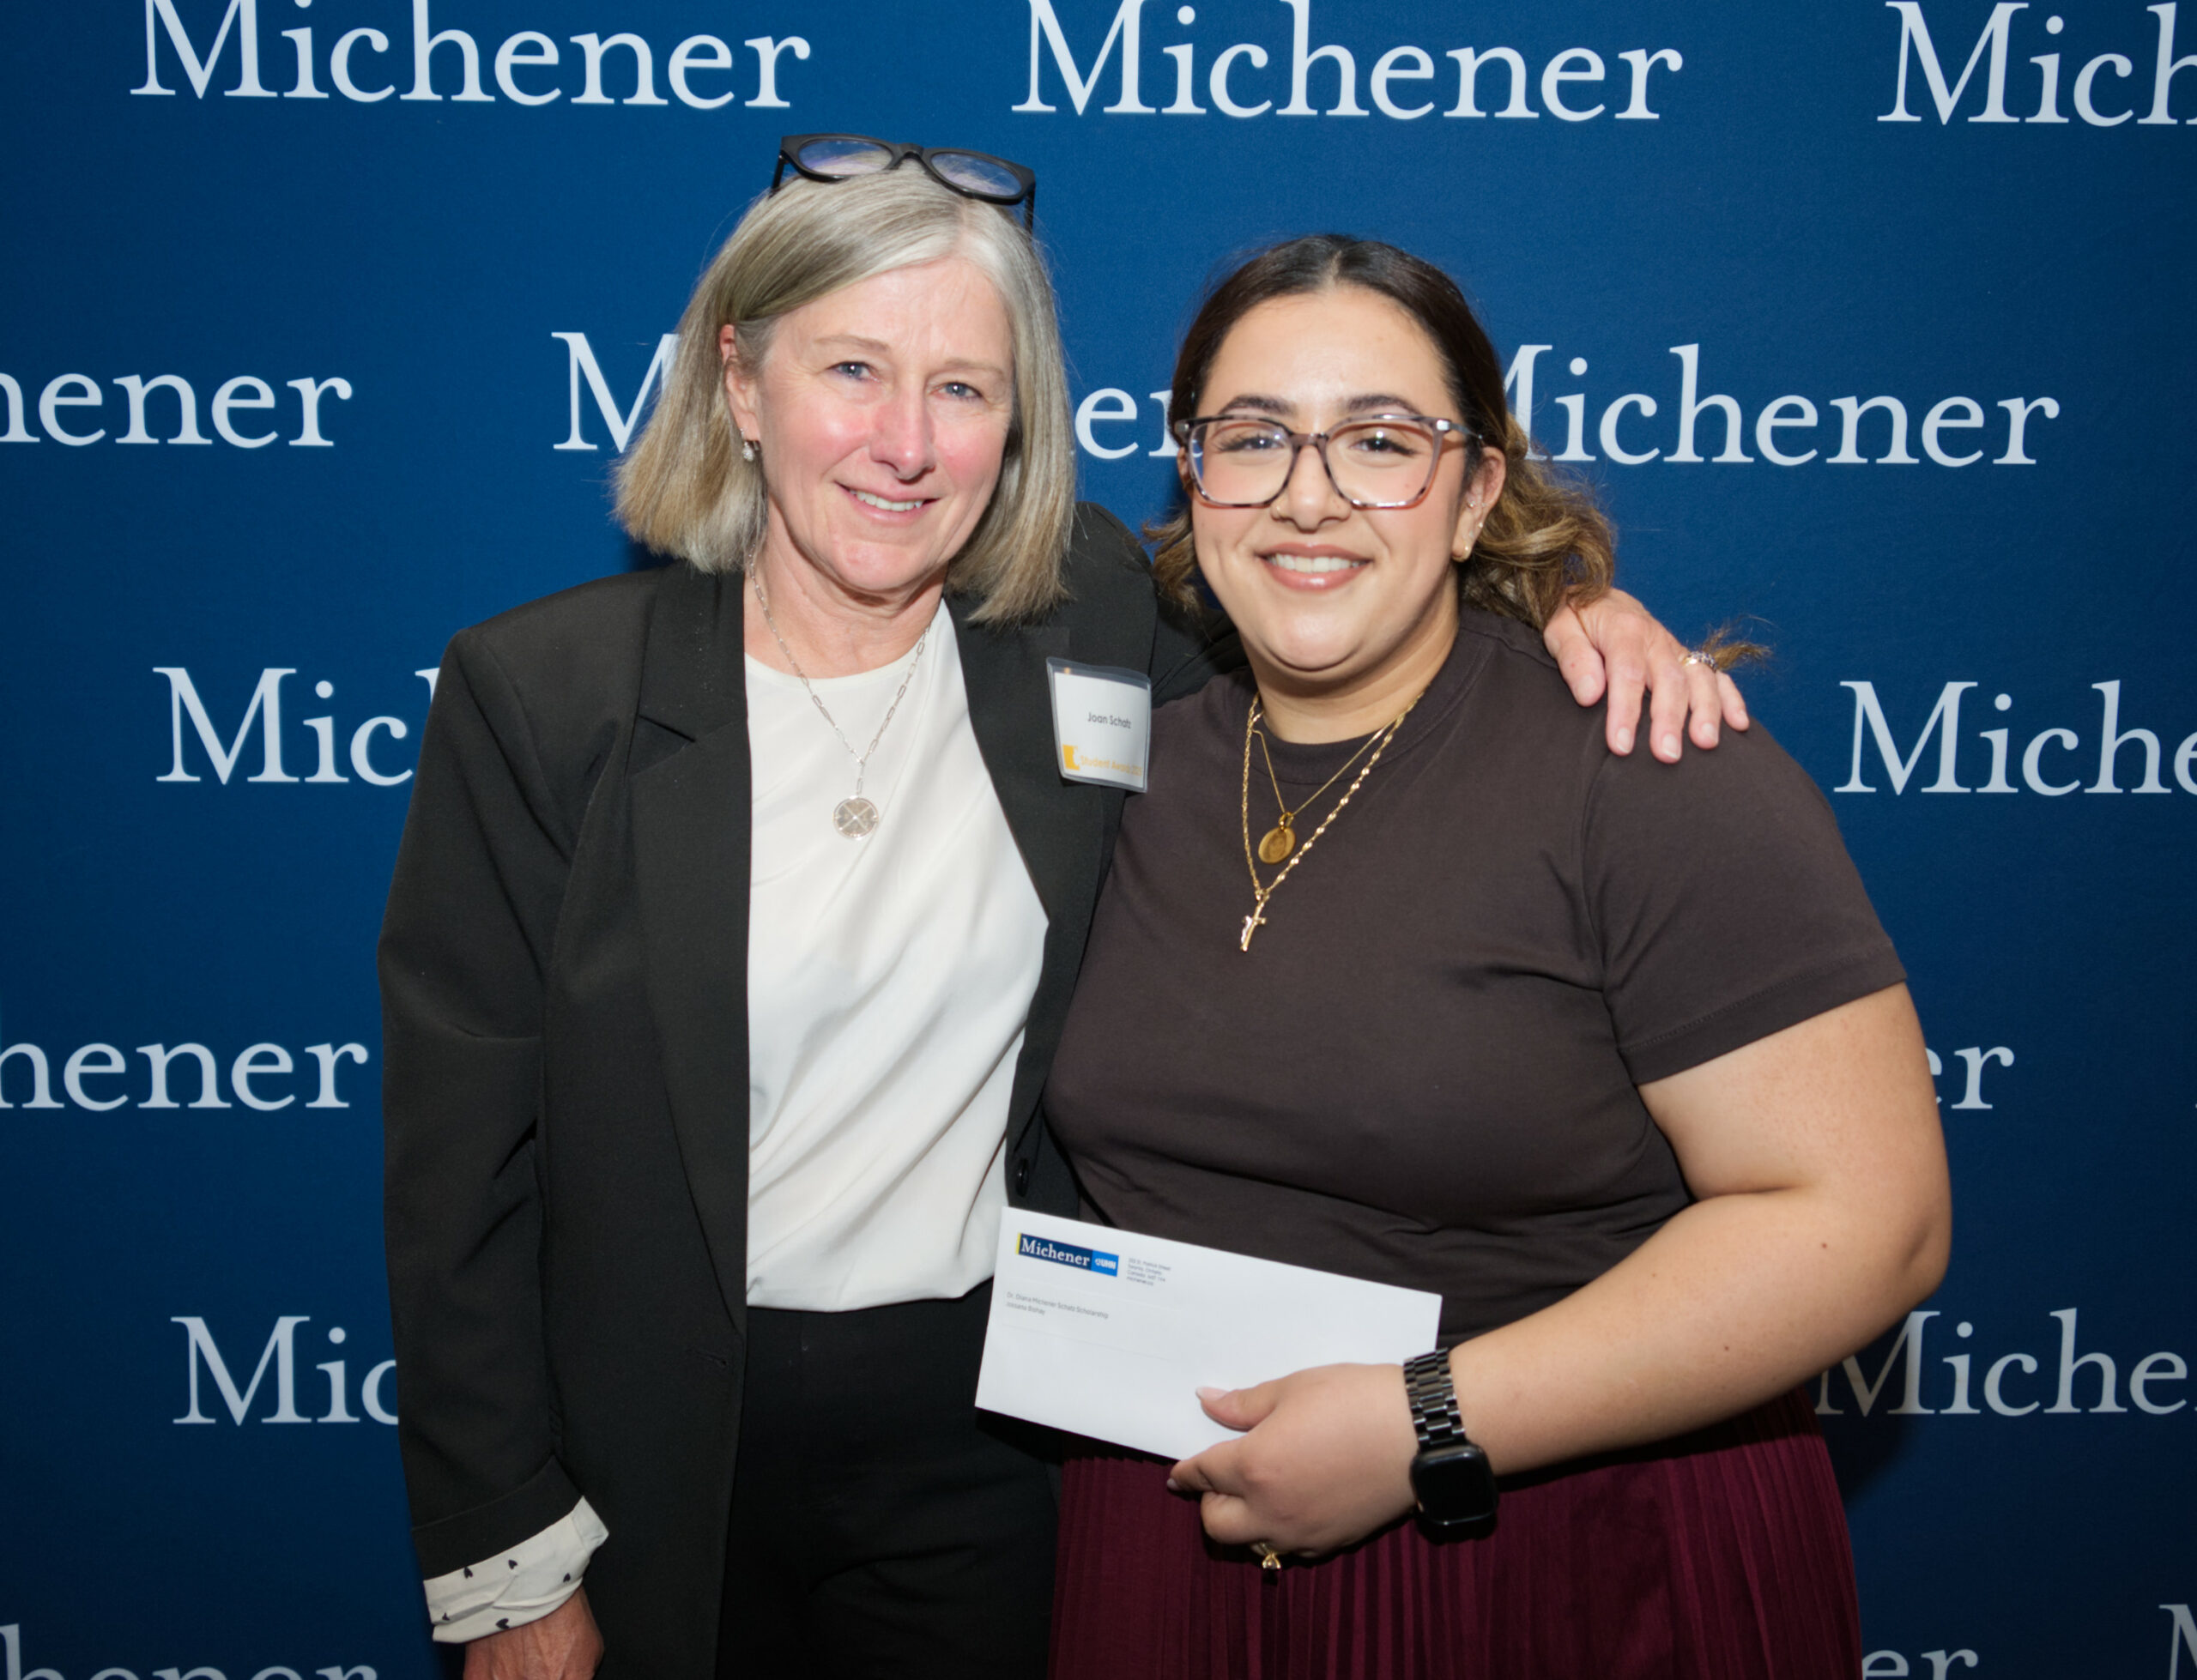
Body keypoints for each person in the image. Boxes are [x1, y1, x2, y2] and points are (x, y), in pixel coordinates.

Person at [378, 144, 1743, 1680]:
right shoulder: (545, 696)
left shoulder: (1085, 606)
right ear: (740, 382)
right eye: (853, 370)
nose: (908, 443)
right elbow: (459, 1178)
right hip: (658, 1445)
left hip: (1003, 1439)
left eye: (965, 387)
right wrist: (511, 1574)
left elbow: (1338, 583)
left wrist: (1563, 604)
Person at [1041, 234, 1953, 1680]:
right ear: (1190, 473)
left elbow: (1869, 1220)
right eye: (1255, 437)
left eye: (1382, 442)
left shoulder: (1645, 765)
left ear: (1475, 492)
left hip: (1562, 1554)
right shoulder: (1134, 753)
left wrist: (1429, 1423)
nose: (1309, 494)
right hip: (1172, 1544)